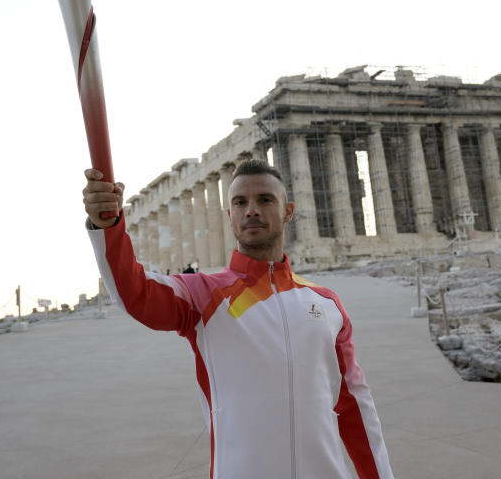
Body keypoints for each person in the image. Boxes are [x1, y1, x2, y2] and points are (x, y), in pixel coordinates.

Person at [83, 160, 394, 478]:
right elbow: (134, 292)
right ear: (230, 216)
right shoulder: (203, 295)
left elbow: (354, 405)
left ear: (287, 211)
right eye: (240, 202)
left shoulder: (326, 303)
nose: (252, 210)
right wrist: (108, 225)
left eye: (265, 199)